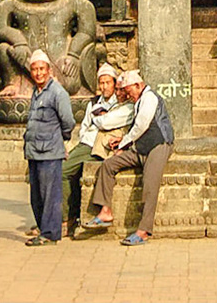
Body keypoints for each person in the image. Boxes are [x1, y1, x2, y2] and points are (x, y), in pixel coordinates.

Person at [83, 68, 172, 246]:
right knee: (108, 165)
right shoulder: (138, 101)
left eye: (129, 91)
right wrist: (122, 141)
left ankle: (143, 231)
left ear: (138, 86)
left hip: (158, 145)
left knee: (150, 184)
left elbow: (141, 126)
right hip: (140, 147)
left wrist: (123, 144)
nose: (128, 96)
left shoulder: (149, 98)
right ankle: (105, 211)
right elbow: (135, 129)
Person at [64, 63, 133, 237]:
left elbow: (107, 122)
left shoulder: (124, 104)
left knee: (63, 171)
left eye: (108, 82)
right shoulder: (94, 103)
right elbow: (84, 127)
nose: (104, 87)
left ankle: (65, 218)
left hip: (100, 147)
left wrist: (100, 118)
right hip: (85, 143)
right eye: (101, 83)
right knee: (66, 171)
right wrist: (98, 119)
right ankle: (67, 216)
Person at [23, 50, 75, 246]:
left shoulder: (58, 93)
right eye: (35, 70)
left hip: (50, 152)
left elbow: (68, 121)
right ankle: (43, 229)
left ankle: (50, 234)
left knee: (50, 196)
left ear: (49, 70)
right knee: (36, 196)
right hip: (34, 151)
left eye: (41, 69)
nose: (38, 73)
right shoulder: (36, 93)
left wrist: (60, 139)